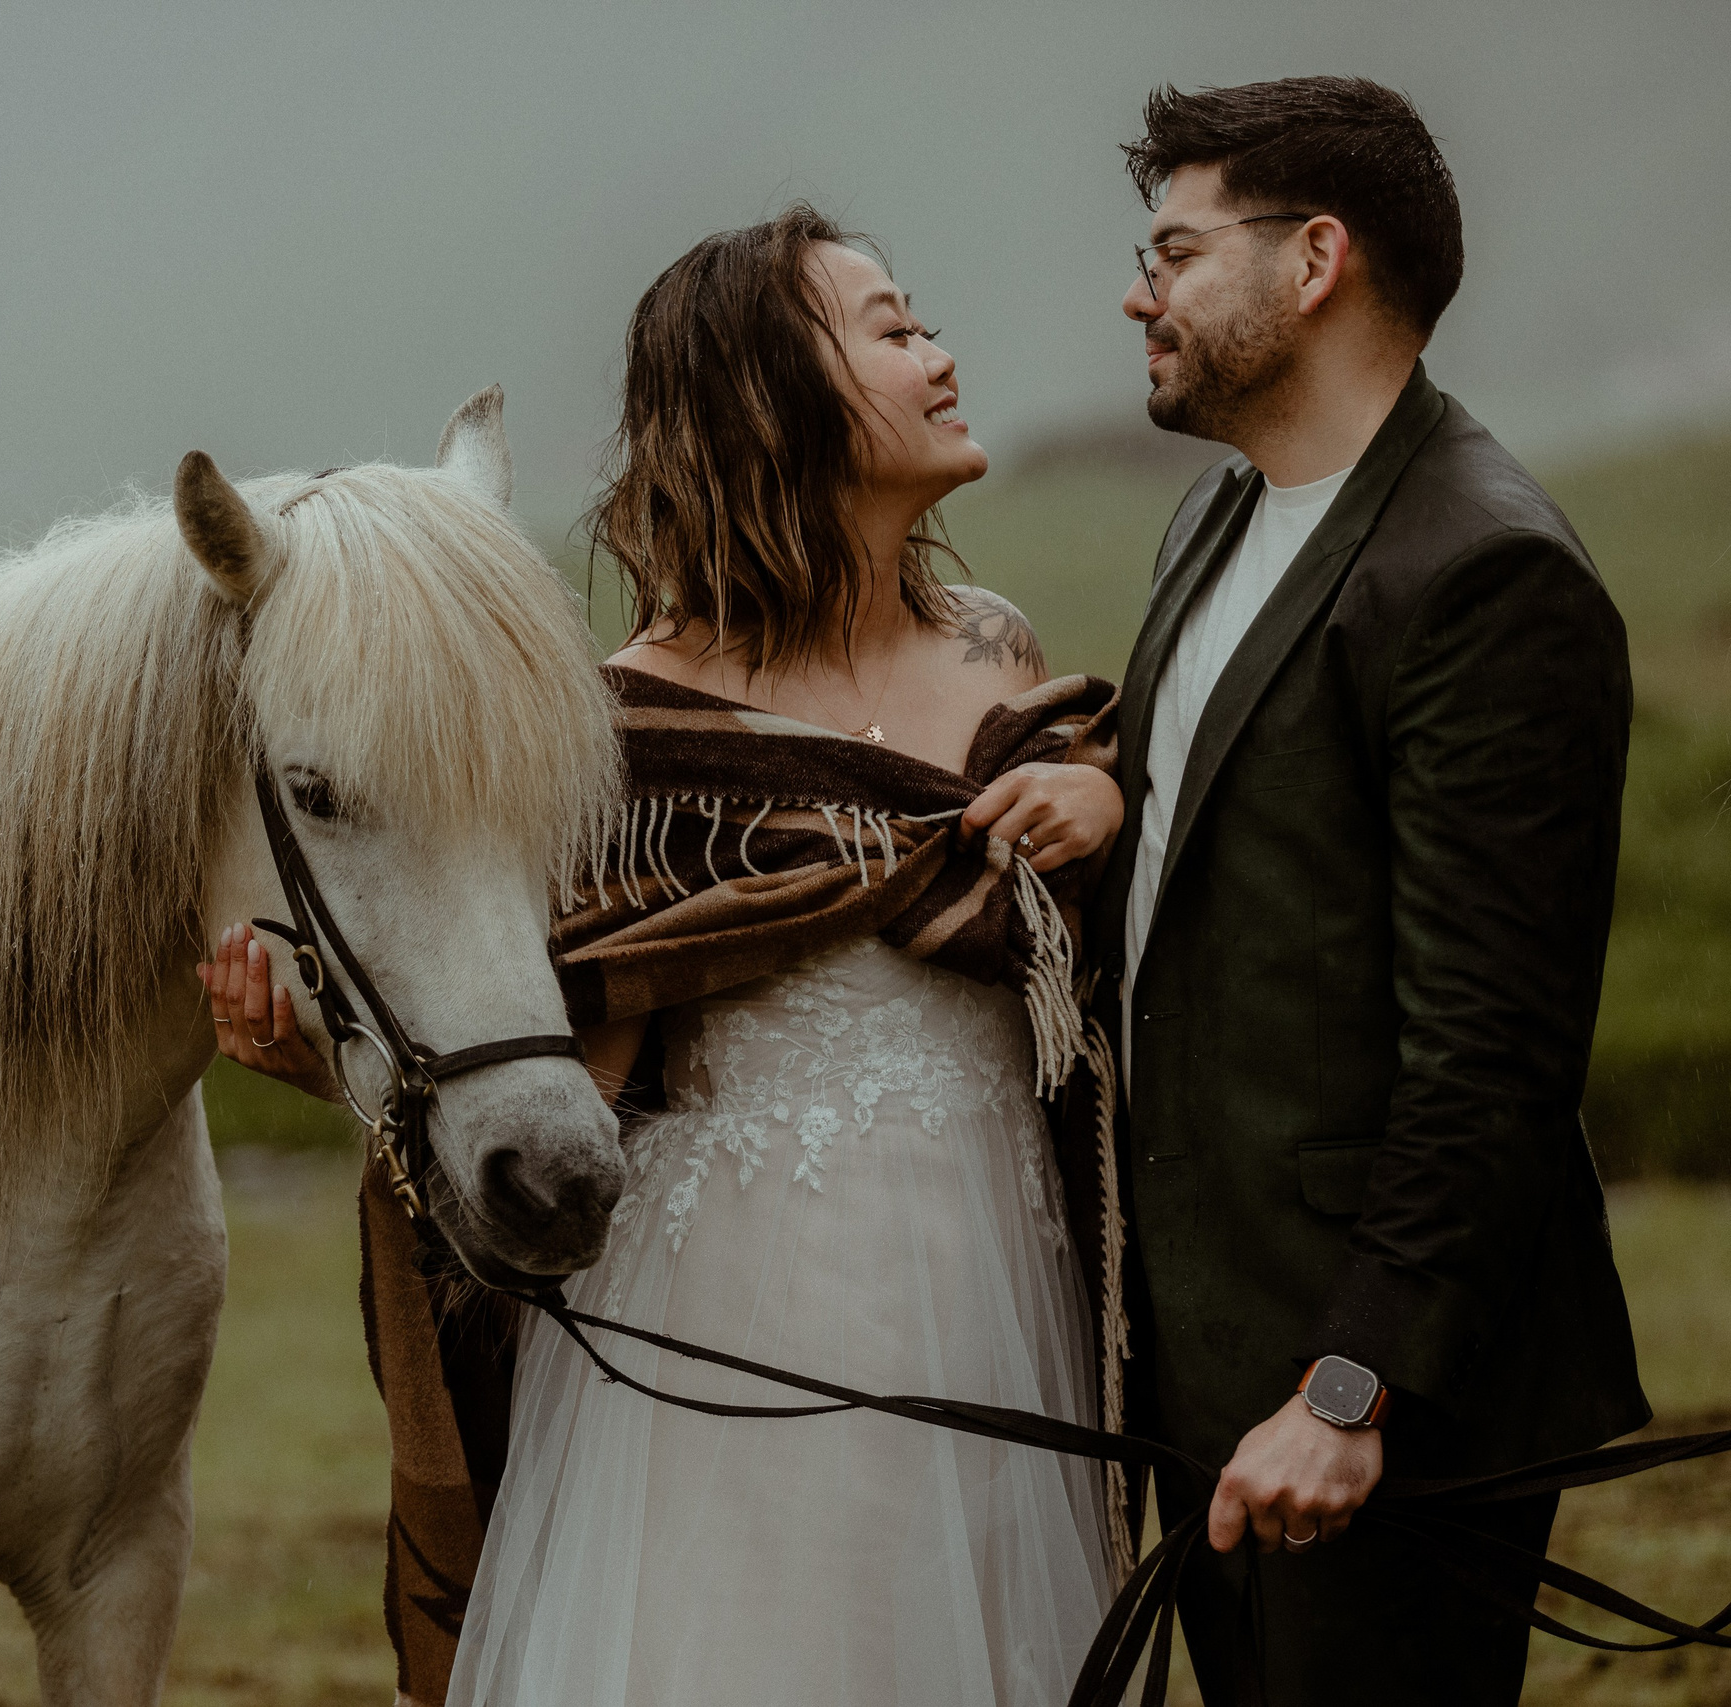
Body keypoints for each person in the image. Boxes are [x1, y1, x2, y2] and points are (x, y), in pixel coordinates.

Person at [205, 205, 1128, 1706]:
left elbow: (1069, 961)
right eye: (894, 331)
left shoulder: (999, 657)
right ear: (772, 398)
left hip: (998, 1284)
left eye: (924, 322)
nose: (942, 357)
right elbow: (539, 1033)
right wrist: (325, 1065)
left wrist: (1100, 804)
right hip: (725, 1326)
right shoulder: (616, 731)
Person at [1089, 77, 1648, 1705]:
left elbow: (1494, 1055)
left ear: (1316, 257)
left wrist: (1351, 1389)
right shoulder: (1219, 512)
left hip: (1376, 1401)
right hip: (1205, 1355)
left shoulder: (1487, 569)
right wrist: (1102, 798)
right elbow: (1244, 865)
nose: (1142, 292)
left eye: (1176, 252)